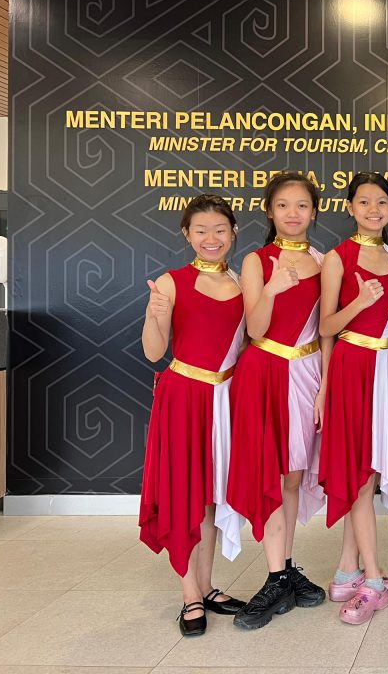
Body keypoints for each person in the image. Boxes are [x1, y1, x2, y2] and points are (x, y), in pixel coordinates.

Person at [139, 194, 246, 636]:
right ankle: (189, 596)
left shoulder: (243, 282)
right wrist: (155, 316)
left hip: (227, 396)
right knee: (186, 495)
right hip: (184, 398)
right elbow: (153, 352)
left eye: (219, 230)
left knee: (213, 496)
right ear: (187, 234)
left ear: (233, 232)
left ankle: (206, 585)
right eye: (201, 231)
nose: (211, 238)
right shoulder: (170, 282)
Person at [226, 172, 328, 630]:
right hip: (264, 375)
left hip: (307, 374)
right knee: (270, 473)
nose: (292, 213)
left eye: (302, 205)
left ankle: (285, 569)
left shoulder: (325, 261)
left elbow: (328, 331)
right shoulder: (257, 260)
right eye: (283, 205)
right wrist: (271, 288)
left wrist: (326, 387)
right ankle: (274, 576)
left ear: (314, 211)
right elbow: (255, 328)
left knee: (293, 476)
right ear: (269, 210)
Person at [318, 172, 388, 624]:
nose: (373, 210)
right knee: (358, 473)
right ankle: (373, 580)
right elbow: (326, 326)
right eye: (364, 202)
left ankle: (346, 570)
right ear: (350, 207)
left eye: (381, 202)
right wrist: (358, 303)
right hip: (352, 366)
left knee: (370, 472)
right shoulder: (337, 258)